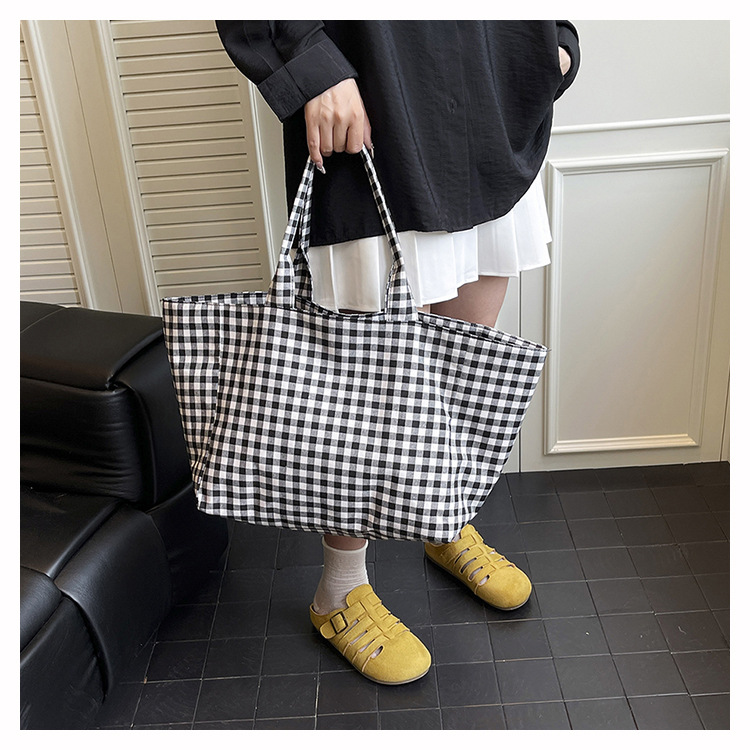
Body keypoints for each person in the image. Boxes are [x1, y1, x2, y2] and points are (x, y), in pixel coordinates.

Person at [215, 20, 580, 685]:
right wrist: (311, 64)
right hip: (371, 93)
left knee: (465, 354)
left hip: (490, 96)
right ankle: (339, 589)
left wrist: (552, 38)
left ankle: (444, 518)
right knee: (359, 385)